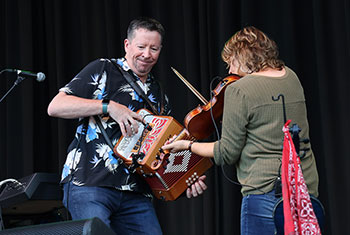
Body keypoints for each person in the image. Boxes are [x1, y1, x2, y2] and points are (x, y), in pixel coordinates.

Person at [47, 17, 206, 235]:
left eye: (154, 48)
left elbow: (164, 151)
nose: (147, 54)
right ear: (127, 45)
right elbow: (56, 106)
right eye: (141, 46)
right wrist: (108, 107)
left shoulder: (158, 92)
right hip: (91, 183)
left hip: (135, 192)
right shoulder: (103, 69)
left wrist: (182, 180)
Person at [162, 26, 322, 234]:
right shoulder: (292, 77)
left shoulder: (239, 90)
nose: (229, 71)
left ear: (243, 55)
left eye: (231, 62)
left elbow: (227, 153)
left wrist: (188, 145)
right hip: (304, 189)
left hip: (265, 194)